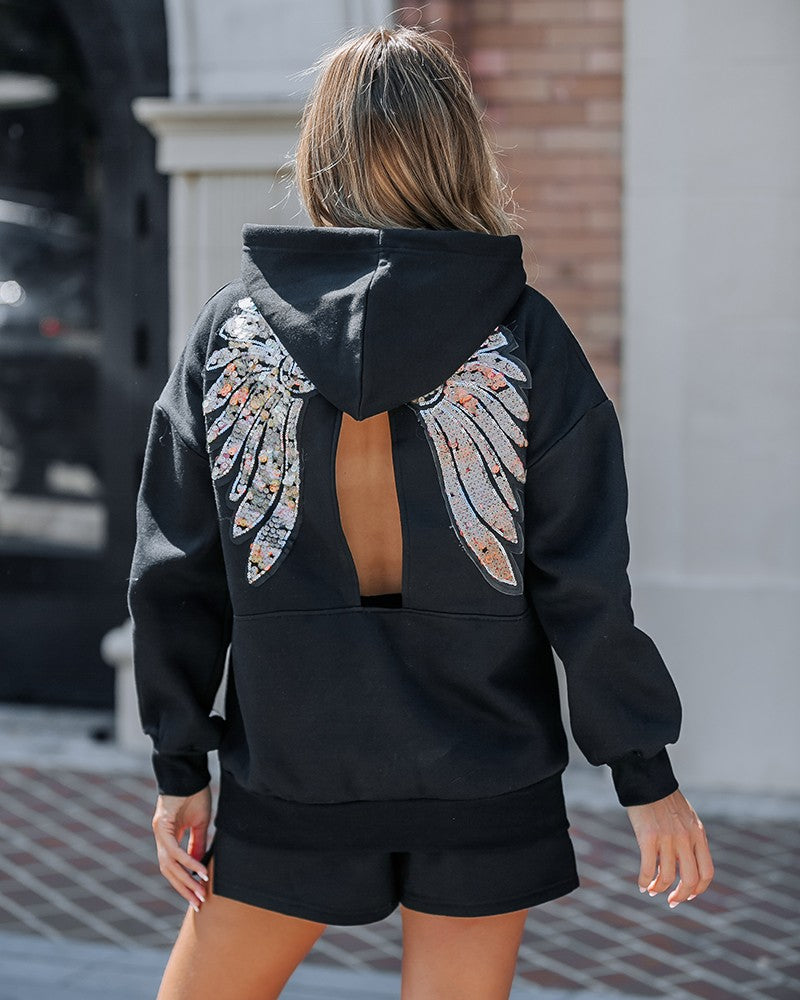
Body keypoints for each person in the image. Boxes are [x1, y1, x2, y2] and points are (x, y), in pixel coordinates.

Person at [127, 23, 714, 1000]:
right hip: (485, 769)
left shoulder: (230, 334)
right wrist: (644, 774)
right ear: (457, 146)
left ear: (322, 150)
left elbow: (173, 572)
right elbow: (581, 580)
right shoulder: (524, 337)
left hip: (296, 765)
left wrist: (179, 763)